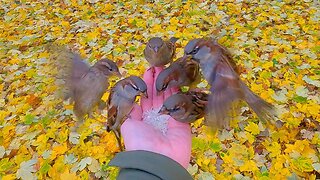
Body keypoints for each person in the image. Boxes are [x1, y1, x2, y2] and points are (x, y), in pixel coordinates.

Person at [108, 67, 193, 179]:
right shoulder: (117, 96)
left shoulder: (131, 95)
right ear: (126, 86)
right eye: (139, 91)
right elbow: (111, 116)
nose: (142, 95)